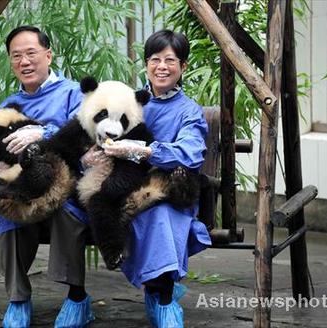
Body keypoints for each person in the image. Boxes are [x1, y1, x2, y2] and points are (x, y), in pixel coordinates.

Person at [0, 25, 94, 328]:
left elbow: (84, 138)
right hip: (25, 186)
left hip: (66, 184)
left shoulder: (73, 93)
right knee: (9, 207)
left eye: (31, 53)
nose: (25, 62)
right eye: (16, 56)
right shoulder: (8, 104)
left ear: (48, 54)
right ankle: (18, 300)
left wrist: (43, 133)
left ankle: (77, 298)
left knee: (66, 209)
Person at [97, 29, 212, 327]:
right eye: (155, 59)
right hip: (125, 187)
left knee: (159, 217)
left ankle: (162, 298)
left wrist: (144, 150)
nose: (162, 66)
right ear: (146, 64)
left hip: (170, 192)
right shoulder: (129, 101)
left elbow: (190, 154)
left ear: (183, 66)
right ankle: (159, 292)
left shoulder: (189, 111)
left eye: (170, 60)